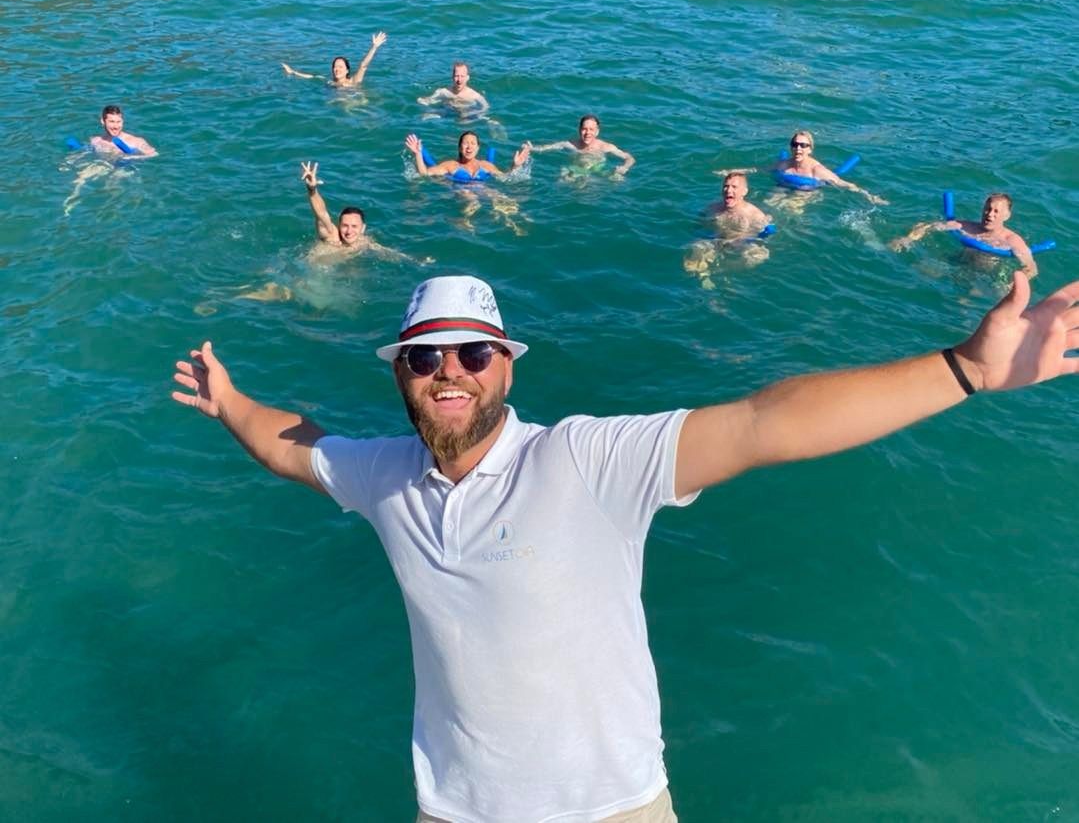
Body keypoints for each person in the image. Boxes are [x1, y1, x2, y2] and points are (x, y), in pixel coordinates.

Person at [171, 272, 1079, 822]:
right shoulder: (386, 478)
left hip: (610, 811)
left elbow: (767, 421)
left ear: (506, 366)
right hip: (454, 808)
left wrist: (962, 371)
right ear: (401, 374)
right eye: (423, 356)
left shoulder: (584, 459)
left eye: (470, 354)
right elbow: (297, 443)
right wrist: (230, 400)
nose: (447, 370)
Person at [301, 161, 427, 263]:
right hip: (312, 274)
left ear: (363, 228)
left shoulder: (364, 241)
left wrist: (414, 260)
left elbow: (386, 252)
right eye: (345, 226)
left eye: (354, 226)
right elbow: (321, 213)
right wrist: (312, 189)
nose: (349, 231)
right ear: (339, 226)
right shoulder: (332, 236)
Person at [890, 193, 1038, 277]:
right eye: (987, 209)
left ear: (1007, 216)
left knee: (968, 305)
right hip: (956, 263)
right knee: (916, 270)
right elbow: (929, 226)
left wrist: (1013, 283)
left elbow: (1031, 268)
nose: (990, 215)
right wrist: (907, 239)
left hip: (984, 275)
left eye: (996, 211)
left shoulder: (1011, 240)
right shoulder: (968, 227)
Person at [685, 172, 773, 282]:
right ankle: (702, 277)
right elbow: (700, 226)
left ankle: (722, 271)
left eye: (734, 187)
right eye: (726, 186)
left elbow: (764, 236)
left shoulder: (755, 215)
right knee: (696, 247)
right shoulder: (713, 208)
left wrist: (742, 239)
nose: (728, 190)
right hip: (716, 240)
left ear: (744, 192)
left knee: (760, 255)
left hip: (740, 244)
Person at [773, 130, 887, 204]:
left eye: (803, 145)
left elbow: (844, 184)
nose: (798, 148)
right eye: (795, 144)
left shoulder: (817, 171)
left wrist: (869, 196)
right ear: (791, 147)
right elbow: (762, 169)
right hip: (785, 184)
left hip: (807, 190)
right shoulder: (784, 165)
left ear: (810, 149)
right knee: (770, 202)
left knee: (791, 207)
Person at [526, 114, 636, 180]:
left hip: (597, 170)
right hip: (575, 170)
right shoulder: (571, 145)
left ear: (597, 132)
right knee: (562, 179)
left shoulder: (605, 147)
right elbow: (549, 147)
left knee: (617, 179)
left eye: (591, 129)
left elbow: (629, 158)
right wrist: (532, 148)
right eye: (584, 129)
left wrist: (624, 167)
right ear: (579, 130)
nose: (587, 133)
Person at [404, 130, 529, 182]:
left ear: (478, 148)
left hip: (486, 193)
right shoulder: (450, 165)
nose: (469, 147)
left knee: (506, 203)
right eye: (465, 144)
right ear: (459, 147)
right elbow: (424, 174)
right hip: (462, 196)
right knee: (469, 200)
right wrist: (418, 154)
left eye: (473, 144)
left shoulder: (486, 165)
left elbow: (506, 178)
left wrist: (515, 166)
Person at [282, 31, 387, 87]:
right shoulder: (330, 82)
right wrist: (292, 72)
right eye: (335, 67)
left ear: (347, 70)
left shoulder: (354, 81)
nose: (337, 69)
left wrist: (374, 47)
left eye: (340, 66)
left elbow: (363, 66)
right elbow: (311, 77)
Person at [417, 62, 490, 119]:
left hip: (467, 114)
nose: (459, 80)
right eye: (457, 76)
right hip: (447, 113)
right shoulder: (444, 92)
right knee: (425, 117)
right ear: (452, 77)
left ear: (467, 78)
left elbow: (486, 107)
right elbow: (428, 100)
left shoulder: (474, 95)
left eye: (462, 76)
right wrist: (423, 102)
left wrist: (473, 113)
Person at [90, 105, 157, 157]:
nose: (116, 126)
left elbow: (153, 154)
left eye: (118, 122)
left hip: (125, 169)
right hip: (102, 166)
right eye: (112, 122)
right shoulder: (96, 141)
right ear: (103, 121)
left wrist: (133, 157)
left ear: (122, 121)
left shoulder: (136, 142)